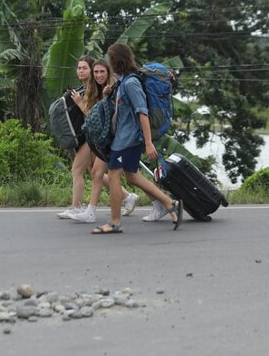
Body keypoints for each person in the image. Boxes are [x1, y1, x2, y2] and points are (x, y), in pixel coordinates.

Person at [91, 43, 181, 234]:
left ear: (117, 61)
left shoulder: (131, 83)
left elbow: (142, 112)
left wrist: (148, 143)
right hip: (125, 138)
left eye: (110, 59)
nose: (109, 63)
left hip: (127, 140)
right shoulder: (123, 81)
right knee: (132, 176)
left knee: (113, 176)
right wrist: (109, 94)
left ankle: (114, 222)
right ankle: (170, 204)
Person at [58, 57, 138, 220]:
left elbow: (97, 117)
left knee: (78, 170)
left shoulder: (102, 89)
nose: (81, 71)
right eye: (79, 68)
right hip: (92, 136)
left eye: (85, 68)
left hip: (98, 137)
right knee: (95, 172)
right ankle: (128, 197)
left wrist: (80, 104)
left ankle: (77, 207)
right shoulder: (88, 89)